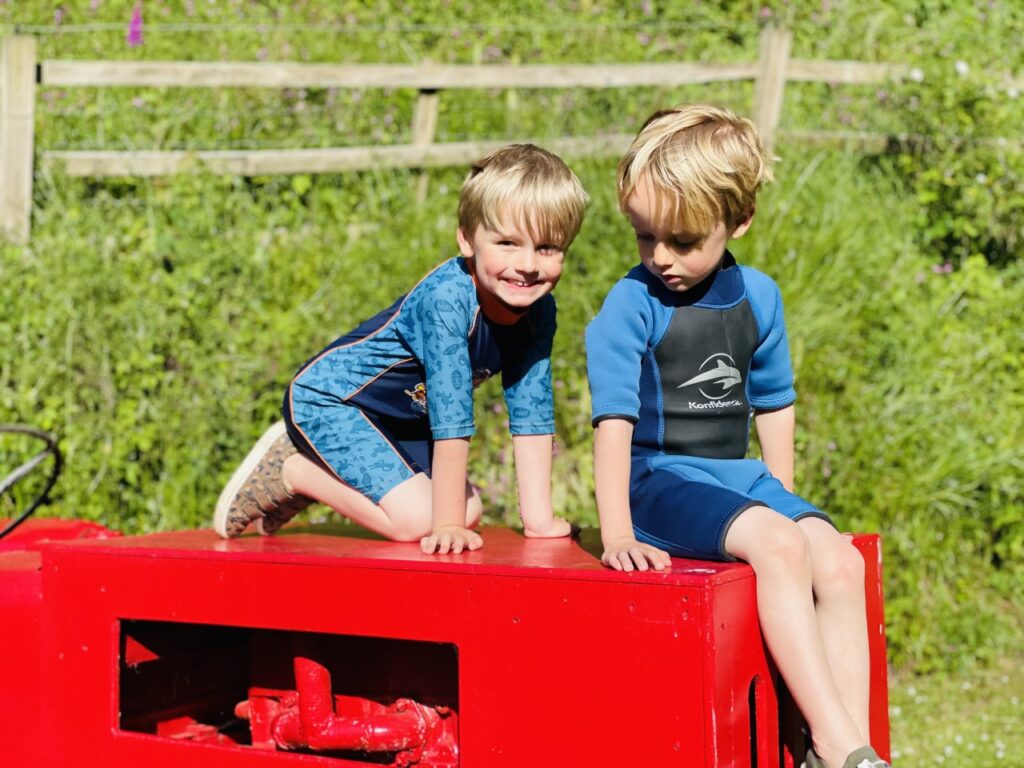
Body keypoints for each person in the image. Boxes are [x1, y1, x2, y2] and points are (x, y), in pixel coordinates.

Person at [585, 105, 890, 768]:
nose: (660, 257)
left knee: (840, 561)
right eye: (645, 237)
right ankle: (840, 749)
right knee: (780, 548)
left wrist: (780, 492)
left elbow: (773, 401)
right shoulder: (629, 305)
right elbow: (612, 426)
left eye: (684, 241)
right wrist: (616, 533)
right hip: (658, 482)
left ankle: (849, 742)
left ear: (738, 220)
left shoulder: (759, 295)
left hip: (737, 480)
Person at [215, 143, 587, 555]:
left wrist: (539, 521)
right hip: (332, 403)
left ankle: (319, 465)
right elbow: (451, 412)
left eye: (547, 248)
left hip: (402, 422)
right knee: (420, 521)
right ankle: (294, 468)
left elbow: (532, 410)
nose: (528, 264)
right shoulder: (448, 298)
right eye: (507, 243)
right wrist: (444, 525)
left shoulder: (539, 310)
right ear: (467, 240)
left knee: (470, 511)